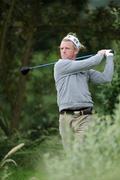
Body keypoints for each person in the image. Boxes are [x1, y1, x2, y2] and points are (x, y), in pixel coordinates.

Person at [54, 32, 114, 152]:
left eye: (67, 48)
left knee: (80, 153)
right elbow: (92, 62)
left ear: (75, 51)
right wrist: (100, 54)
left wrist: (109, 58)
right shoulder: (60, 65)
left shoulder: (85, 70)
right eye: (61, 48)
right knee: (70, 157)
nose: (63, 51)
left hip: (84, 117)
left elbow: (106, 78)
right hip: (65, 119)